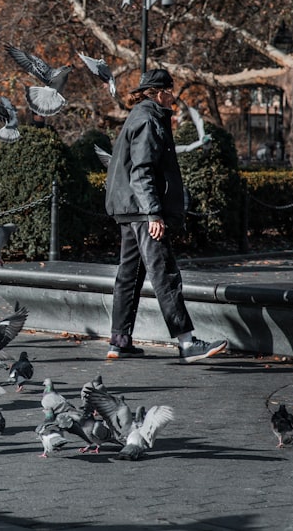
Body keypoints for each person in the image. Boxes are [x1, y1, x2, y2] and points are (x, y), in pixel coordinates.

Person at [103, 68, 229, 363]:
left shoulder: (139, 115)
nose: (174, 97)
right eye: (171, 91)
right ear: (159, 93)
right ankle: (187, 343)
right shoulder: (149, 119)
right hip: (141, 208)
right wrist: (153, 214)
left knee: (129, 275)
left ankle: (118, 341)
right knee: (165, 271)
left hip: (129, 208)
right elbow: (142, 170)